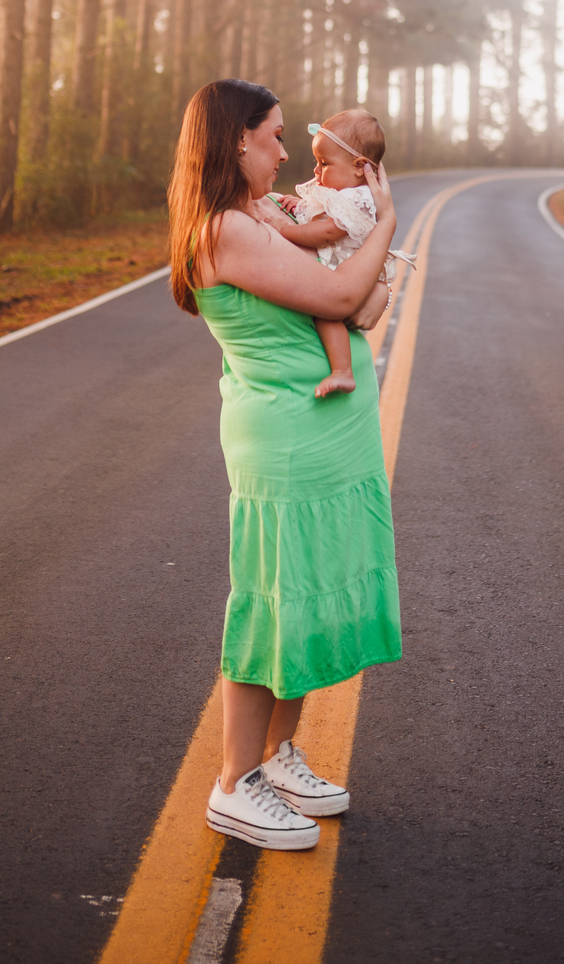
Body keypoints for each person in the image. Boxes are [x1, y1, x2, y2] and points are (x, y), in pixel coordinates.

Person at [169, 78, 402, 852]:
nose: (281, 151)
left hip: (324, 432)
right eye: (272, 136)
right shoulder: (228, 230)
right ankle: (235, 784)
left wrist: (362, 273)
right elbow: (343, 298)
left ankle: (274, 758)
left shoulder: (256, 220)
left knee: (306, 597)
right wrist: (387, 225)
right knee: (272, 598)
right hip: (288, 437)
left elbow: (361, 304)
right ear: (237, 141)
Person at [256, 108, 392, 398]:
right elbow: (317, 212)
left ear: (359, 167)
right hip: (344, 270)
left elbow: (328, 231)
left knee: (325, 313)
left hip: (343, 267)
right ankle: (342, 370)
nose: (316, 171)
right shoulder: (340, 191)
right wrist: (298, 205)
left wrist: (284, 228)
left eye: (324, 163)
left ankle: (342, 370)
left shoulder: (356, 197)